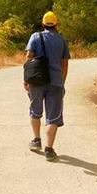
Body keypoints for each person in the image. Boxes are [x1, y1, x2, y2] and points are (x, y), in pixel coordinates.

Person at [24, 11, 70, 161]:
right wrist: (61, 82)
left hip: (36, 81)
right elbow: (64, 64)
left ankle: (36, 140)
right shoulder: (62, 40)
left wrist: (26, 79)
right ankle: (49, 149)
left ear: (43, 24)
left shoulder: (35, 37)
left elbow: (28, 58)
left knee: (35, 111)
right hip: (55, 82)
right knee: (52, 117)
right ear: (56, 24)